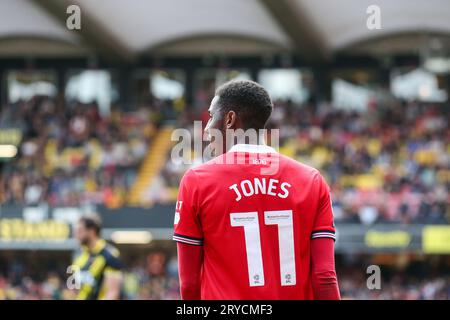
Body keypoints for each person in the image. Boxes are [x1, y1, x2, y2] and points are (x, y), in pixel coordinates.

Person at [173, 80, 340, 300]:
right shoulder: (312, 180)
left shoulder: (196, 181)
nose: (205, 128)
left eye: (211, 117)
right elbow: (325, 277)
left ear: (230, 119)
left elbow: (190, 284)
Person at [72, 214, 123, 300]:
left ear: (92, 231)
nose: (76, 235)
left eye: (80, 230)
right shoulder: (79, 255)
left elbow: (113, 292)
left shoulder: (109, 255)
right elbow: (76, 289)